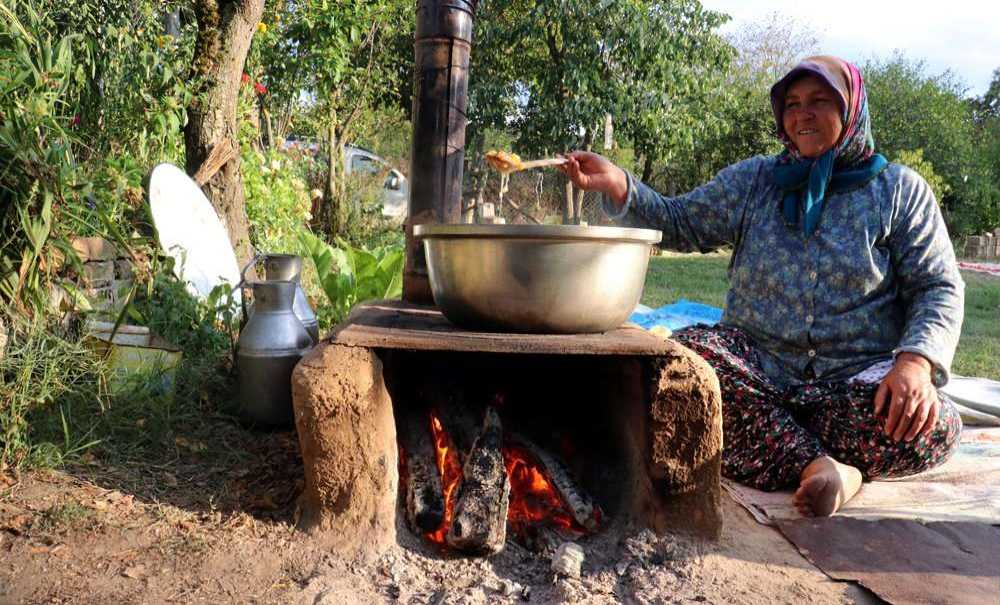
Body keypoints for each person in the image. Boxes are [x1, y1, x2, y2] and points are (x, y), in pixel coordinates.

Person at [559, 55, 964, 516]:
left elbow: (938, 286)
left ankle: (804, 453)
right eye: (791, 103)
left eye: (819, 101)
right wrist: (617, 184)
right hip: (756, 369)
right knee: (680, 366)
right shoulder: (757, 180)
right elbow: (682, 222)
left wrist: (914, 363)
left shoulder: (899, 191)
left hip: (853, 379)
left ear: (851, 109)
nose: (802, 114)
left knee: (934, 424)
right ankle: (825, 464)